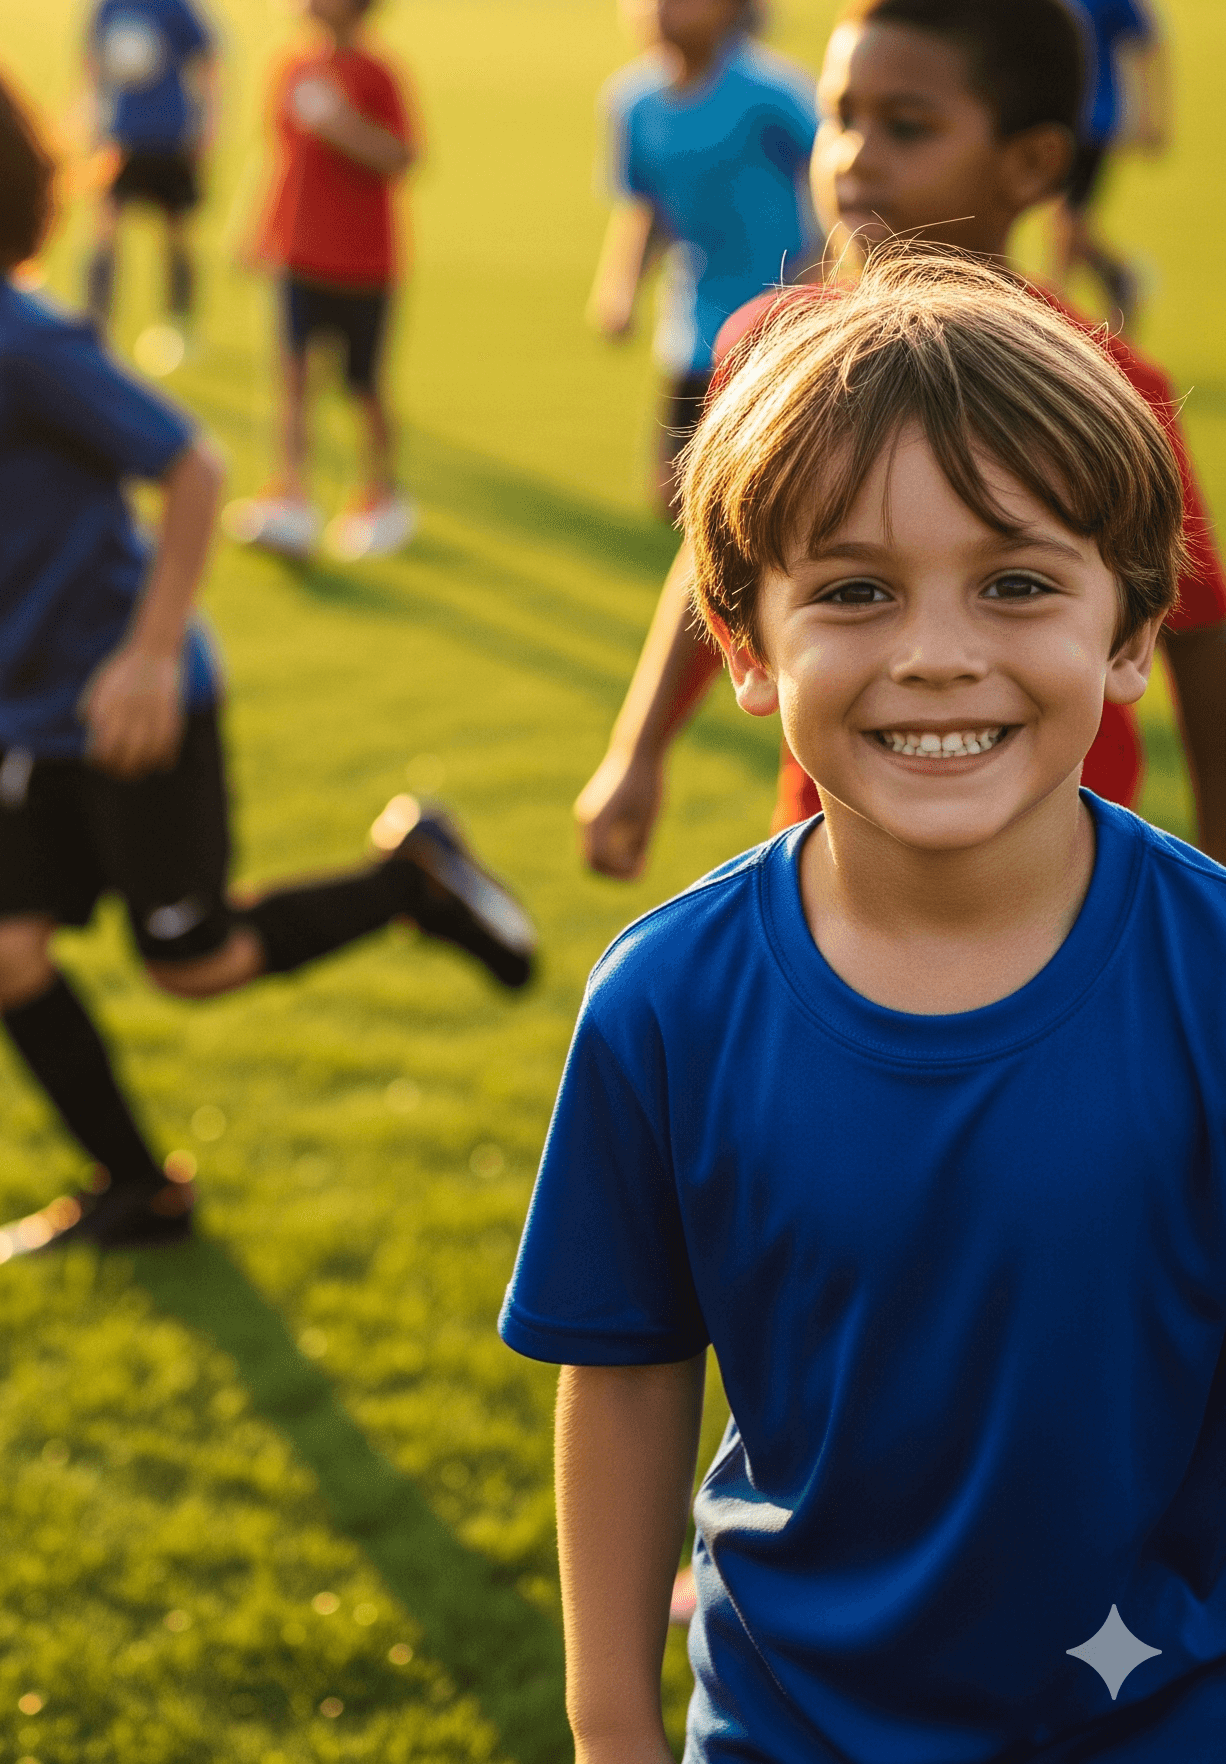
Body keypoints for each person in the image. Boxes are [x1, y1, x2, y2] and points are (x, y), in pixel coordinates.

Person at [509, 246, 1226, 1761]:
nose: (938, 654)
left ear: (1132, 633)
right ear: (745, 646)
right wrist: (608, 1728)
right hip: (788, 1728)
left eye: (1018, 582)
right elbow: (627, 1373)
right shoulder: (667, 1003)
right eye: (854, 590)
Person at [0, 46, 535, 1263]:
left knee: (192, 961)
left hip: (138, 705)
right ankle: (139, 1186)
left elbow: (191, 465)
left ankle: (409, 882)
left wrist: (145, 654)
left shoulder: (25, 342)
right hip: (21, 710)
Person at [575, 0, 1226, 880]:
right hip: (843, 858)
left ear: (1033, 162)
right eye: (840, 117)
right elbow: (717, 563)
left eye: (906, 126)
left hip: (1067, 876)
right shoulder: (771, 351)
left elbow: (1195, 628)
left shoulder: (1108, 383)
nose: (854, 154)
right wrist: (636, 752)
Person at [586, 0, 817, 520]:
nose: (656, 2)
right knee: (676, 495)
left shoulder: (773, 94)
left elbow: (836, 188)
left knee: (767, 498)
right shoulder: (633, 102)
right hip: (694, 325)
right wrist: (621, 289)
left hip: (781, 323)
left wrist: (821, 288)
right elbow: (648, 208)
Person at [225, 0, 419, 565]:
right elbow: (278, 155)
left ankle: (379, 496)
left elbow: (401, 156)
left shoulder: (375, 72)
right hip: (298, 253)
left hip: (363, 260)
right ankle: (291, 497)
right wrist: (255, 228)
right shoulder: (288, 65)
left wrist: (342, 127)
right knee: (292, 378)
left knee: (362, 386)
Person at [1024, 0, 1169, 325]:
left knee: (1066, 223)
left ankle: (1049, 320)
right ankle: (1117, 278)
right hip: (1053, 114)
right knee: (1065, 219)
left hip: (1096, 118)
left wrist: (1153, 116)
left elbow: (1146, 46)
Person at [79, 0, 217, 360]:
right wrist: (88, 121)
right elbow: (92, 65)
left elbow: (207, 57)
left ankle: (181, 325)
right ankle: (95, 326)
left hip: (170, 132)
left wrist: (208, 122)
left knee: (175, 232)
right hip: (121, 135)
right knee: (105, 227)